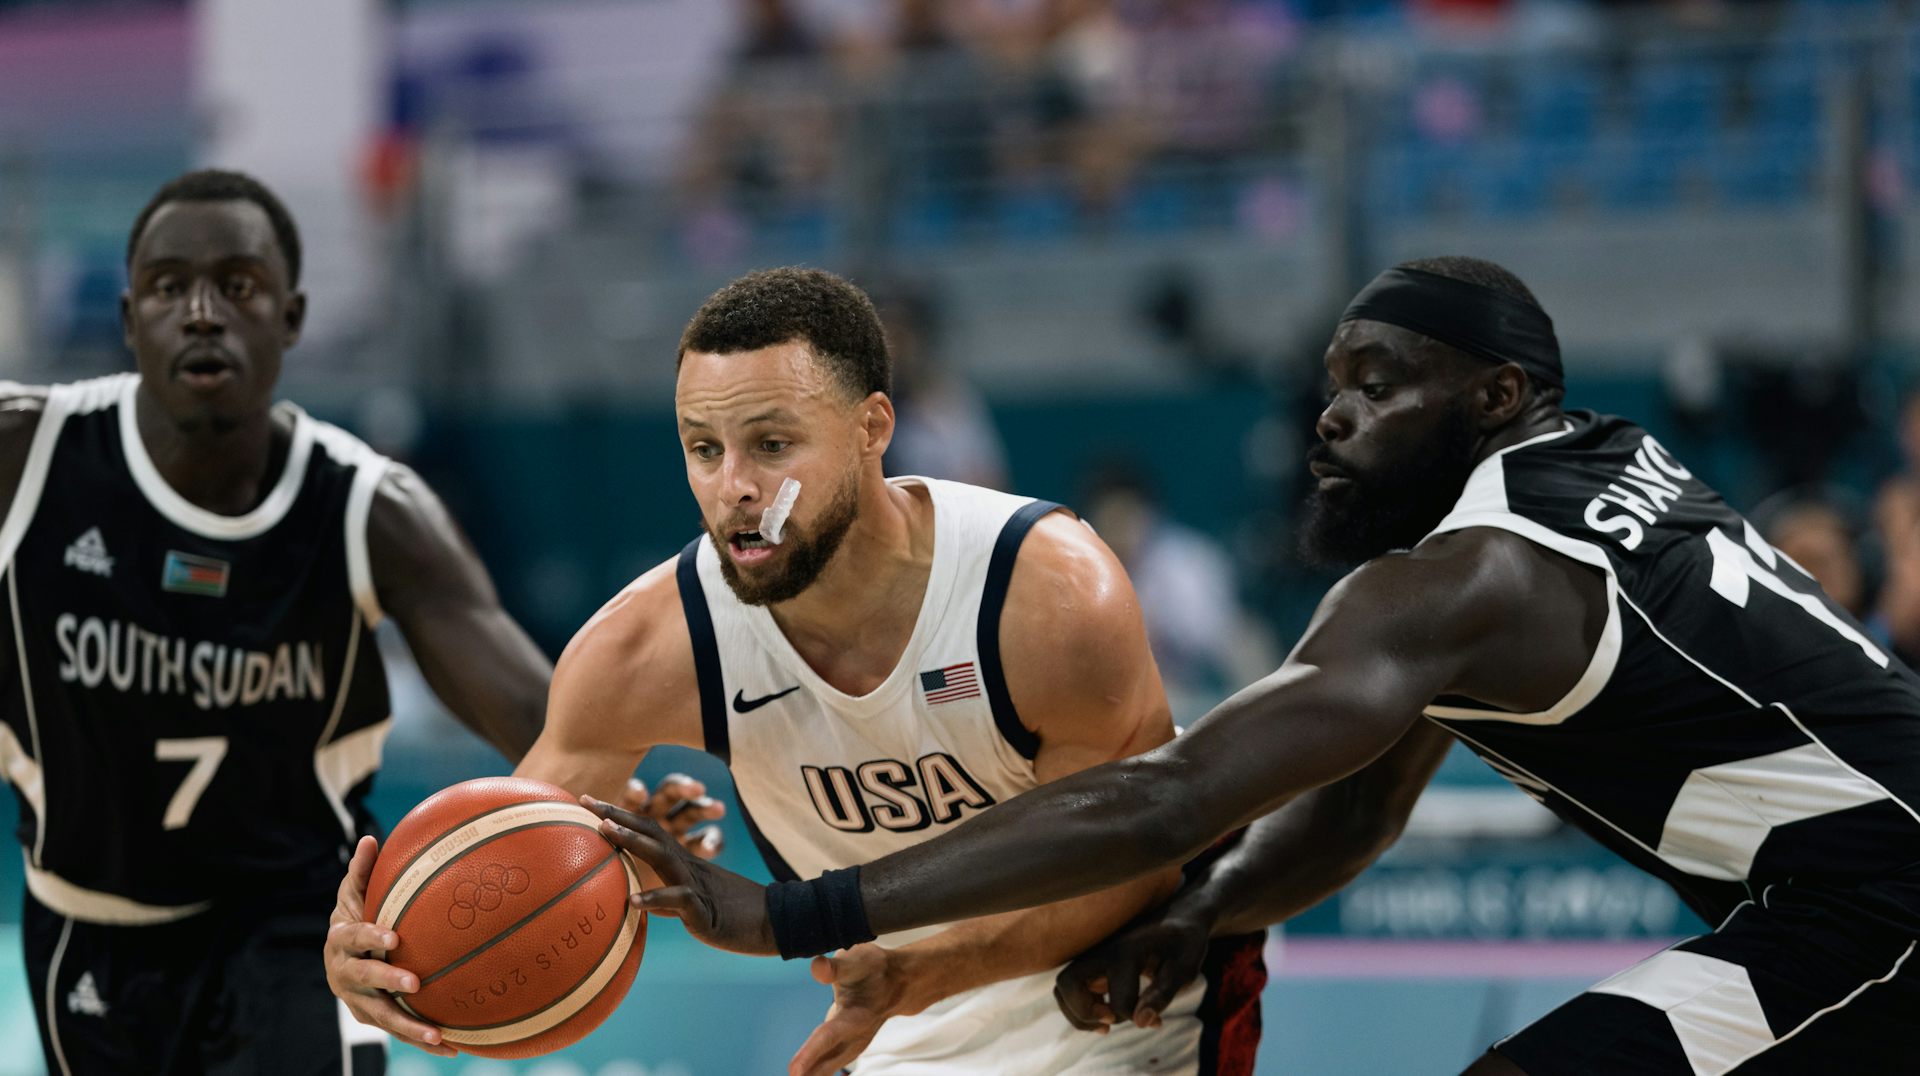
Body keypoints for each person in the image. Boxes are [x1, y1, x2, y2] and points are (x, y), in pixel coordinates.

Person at [596, 257, 1920, 1074]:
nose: (1331, 415)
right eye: (1332, 381)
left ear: (1496, 399)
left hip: (1882, 897)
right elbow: (1355, 801)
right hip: (1832, 894)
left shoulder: (1464, 583)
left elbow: (1166, 798)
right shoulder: (1577, 482)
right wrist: (1201, 917)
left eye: (1381, 385)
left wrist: (799, 914)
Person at [323, 267, 1266, 1075]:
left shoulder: (1045, 593)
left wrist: (918, 972)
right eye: (703, 449)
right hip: (890, 1017)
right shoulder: (645, 648)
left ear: (872, 428)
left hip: (1117, 997)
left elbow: (1129, 863)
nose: (734, 485)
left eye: (772, 446)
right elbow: (510, 870)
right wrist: (384, 960)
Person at [0, 169, 687, 1076]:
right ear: (130, 319)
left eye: (239, 286)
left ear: (291, 316)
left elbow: (542, 715)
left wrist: (620, 814)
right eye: (169, 288)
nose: (202, 312)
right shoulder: (28, 453)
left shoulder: (369, 509)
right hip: (89, 927)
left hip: (298, 938)